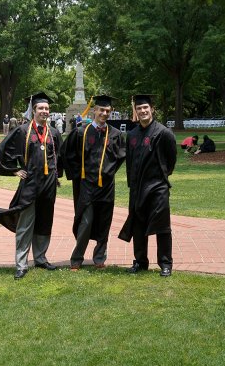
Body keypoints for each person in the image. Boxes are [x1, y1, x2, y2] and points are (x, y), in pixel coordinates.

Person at [0, 92, 63, 280]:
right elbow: (2, 149)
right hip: (30, 184)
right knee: (25, 224)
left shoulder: (54, 133)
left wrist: (57, 175)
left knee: (44, 221)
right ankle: (21, 264)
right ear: (34, 110)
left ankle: (40, 258)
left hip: (48, 185)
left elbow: (59, 157)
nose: (44, 111)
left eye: (47, 108)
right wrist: (14, 170)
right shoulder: (23, 131)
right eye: (41, 108)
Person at [62, 94, 126, 271]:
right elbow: (68, 153)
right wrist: (78, 175)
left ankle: (99, 257)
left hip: (106, 186)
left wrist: (109, 171)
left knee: (105, 222)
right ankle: (76, 258)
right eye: (101, 110)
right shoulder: (81, 132)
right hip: (87, 186)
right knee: (86, 222)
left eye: (107, 110)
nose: (104, 113)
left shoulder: (116, 134)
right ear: (94, 111)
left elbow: (120, 156)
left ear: (110, 112)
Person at [118, 94, 177, 277]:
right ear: (135, 111)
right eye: (139, 108)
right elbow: (129, 162)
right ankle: (140, 262)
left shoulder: (163, 133)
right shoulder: (132, 135)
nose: (143, 111)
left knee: (162, 226)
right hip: (137, 188)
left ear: (152, 109)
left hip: (157, 186)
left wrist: (161, 177)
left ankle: (165, 263)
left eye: (146, 108)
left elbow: (171, 160)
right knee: (138, 226)